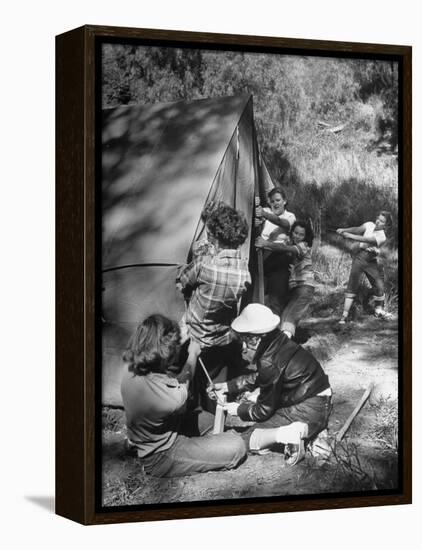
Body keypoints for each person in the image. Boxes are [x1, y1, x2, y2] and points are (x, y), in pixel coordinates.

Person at [120, 314, 247, 478]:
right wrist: (192, 354)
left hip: (166, 427)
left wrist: (181, 334)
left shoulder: (132, 362)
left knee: (207, 419)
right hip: (163, 453)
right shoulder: (163, 398)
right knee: (236, 446)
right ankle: (149, 454)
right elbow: (184, 380)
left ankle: (136, 444)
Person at [212, 303, 332, 465]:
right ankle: (310, 430)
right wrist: (230, 386)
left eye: (245, 339)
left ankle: (290, 434)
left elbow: (263, 411)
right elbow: (264, 376)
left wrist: (238, 410)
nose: (244, 346)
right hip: (319, 400)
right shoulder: (279, 340)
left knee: (243, 440)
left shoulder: (269, 361)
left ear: (255, 338)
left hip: (307, 407)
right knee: (263, 423)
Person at [176, 202, 251, 411]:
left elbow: (182, 281)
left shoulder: (204, 265)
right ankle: (216, 423)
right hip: (221, 340)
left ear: (215, 238)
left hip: (195, 338)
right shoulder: (245, 273)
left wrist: (200, 256)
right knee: (214, 390)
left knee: (187, 387)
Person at [256, 220, 315, 338]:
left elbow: (286, 249)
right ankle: (281, 345)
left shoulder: (303, 246)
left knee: (289, 319)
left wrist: (265, 243)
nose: (297, 236)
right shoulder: (291, 243)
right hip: (296, 288)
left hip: (304, 287)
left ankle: (283, 348)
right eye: (295, 232)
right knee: (284, 317)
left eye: (301, 234)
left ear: (306, 237)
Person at [336, 211, 393, 324]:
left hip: (371, 260)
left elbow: (366, 240)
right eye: (378, 218)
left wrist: (349, 236)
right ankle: (344, 316)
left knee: (379, 284)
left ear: (386, 225)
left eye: (382, 221)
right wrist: (344, 230)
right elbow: (357, 229)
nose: (378, 221)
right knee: (352, 283)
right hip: (360, 257)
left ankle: (379, 310)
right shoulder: (369, 224)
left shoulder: (382, 236)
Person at [255, 187, 296, 316]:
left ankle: (276, 330)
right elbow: (256, 216)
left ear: (285, 201)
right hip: (262, 259)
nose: (275, 203)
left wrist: (265, 215)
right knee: (258, 300)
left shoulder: (290, 216)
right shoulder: (265, 211)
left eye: (278, 200)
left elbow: (283, 224)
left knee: (276, 300)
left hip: (279, 260)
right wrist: (257, 219)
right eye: (272, 201)